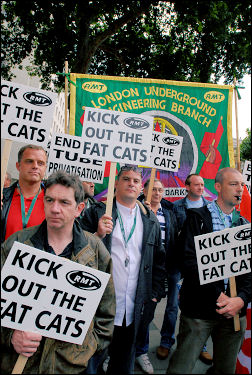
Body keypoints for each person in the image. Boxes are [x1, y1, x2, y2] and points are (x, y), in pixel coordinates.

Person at [1, 171, 116, 374]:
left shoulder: (96, 251)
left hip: (70, 367)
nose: (54, 209)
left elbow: (105, 314)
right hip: (20, 365)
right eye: (49, 200)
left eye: (64, 202)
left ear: (79, 208)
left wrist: (86, 348)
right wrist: (10, 336)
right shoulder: (17, 244)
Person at [80, 165, 166, 375]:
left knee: (123, 362)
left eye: (136, 181)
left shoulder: (150, 219)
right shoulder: (98, 212)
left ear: (141, 188)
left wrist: (154, 294)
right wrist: (97, 234)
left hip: (134, 307)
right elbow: (76, 250)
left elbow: (159, 261)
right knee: (90, 362)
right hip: (100, 306)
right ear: (116, 183)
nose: (131, 184)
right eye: (126, 179)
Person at [166, 167, 251, 374]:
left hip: (233, 313)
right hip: (199, 311)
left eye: (242, 184)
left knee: (225, 369)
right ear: (219, 187)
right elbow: (188, 261)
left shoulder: (244, 225)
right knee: (181, 368)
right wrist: (219, 295)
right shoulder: (197, 218)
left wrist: (241, 299)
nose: (240, 189)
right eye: (233, 184)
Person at [135, 178, 178, 374]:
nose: (157, 193)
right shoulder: (136, 210)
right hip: (138, 267)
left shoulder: (168, 213)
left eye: (161, 190)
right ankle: (116, 351)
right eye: (153, 189)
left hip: (160, 269)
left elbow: (172, 239)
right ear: (145, 190)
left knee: (148, 313)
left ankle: (141, 351)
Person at [169, 173, 212, 365]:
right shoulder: (177, 206)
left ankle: (201, 346)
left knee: (199, 305)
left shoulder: (210, 207)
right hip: (179, 261)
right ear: (187, 187)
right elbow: (172, 233)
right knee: (171, 304)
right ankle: (165, 341)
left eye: (202, 184)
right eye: (197, 185)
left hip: (200, 263)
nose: (201, 187)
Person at [1, 144, 47, 243]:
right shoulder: (3, 197)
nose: (35, 166)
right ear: (18, 166)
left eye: (40, 163)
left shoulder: (53, 202)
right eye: (29, 161)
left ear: (45, 168)